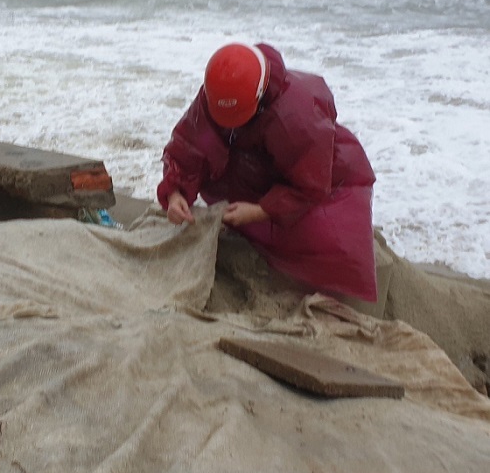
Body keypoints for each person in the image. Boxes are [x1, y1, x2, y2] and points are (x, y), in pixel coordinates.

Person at [156, 42, 378, 305]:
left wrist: (260, 210)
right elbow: (189, 144)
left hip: (321, 169)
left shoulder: (296, 114)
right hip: (255, 162)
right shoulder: (218, 92)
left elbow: (311, 185)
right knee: (214, 168)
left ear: (260, 97)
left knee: (327, 238)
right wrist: (174, 192)